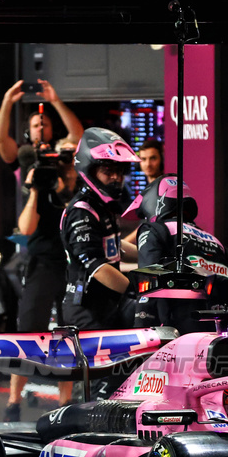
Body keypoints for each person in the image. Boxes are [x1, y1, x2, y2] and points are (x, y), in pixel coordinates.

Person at [5, 138, 78, 422]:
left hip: (71, 267)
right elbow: (25, 229)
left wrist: (66, 183)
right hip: (41, 265)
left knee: (67, 334)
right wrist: (36, 188)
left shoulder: (78, 188)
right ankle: (13, 401)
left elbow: (76, 213)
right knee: (29, 330)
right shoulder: (40, 187)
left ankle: (66, 402)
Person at [130, 175, 228, 335]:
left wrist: (140, 331)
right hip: (216, 337)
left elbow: (147, 285)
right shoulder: (216, 242)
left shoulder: (156, 230)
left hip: (175, 336)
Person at [60, 127, 139, 333]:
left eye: (119, 171)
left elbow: (113, 246)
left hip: (108, 305)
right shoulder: (82, 211)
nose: (115, 177)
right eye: (107, 171)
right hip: (87, 311)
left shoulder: (101, 206)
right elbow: (98, 267)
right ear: (90, 170)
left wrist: (153, 254)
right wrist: (137, 293)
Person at [0, 79, 84, 167]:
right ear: (28, 131)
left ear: (52, 130)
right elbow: (0, 138)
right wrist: (7, 101)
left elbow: (77, 135)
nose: (40, 128)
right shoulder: (22, 154)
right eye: (35, 126)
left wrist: (55, 101)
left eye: (44, 125)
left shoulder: (59, 150)